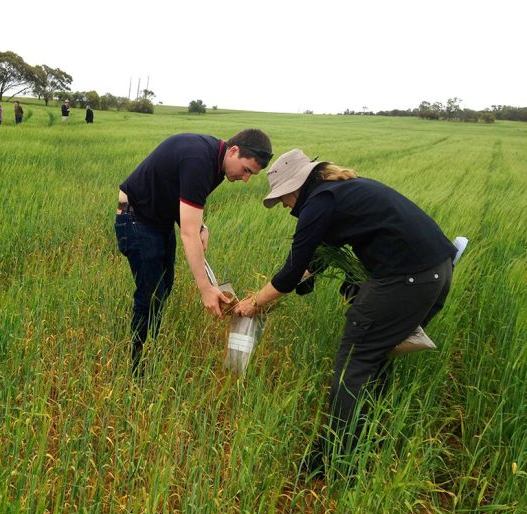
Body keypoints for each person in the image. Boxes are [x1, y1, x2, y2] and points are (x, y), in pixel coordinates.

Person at [233, 148, 457, 477]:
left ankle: (338, 460)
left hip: (406, 279)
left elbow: (291, 270)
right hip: (437, 271)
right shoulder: (343, 189)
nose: (283, 205)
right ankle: (368, 434)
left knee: (354, 362)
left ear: (297, 187)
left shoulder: (319, 202)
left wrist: (254, 303)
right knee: (375, 356)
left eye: (283, 197)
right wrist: (305, 278)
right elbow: (321, 254)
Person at [115, 129, 273, 373]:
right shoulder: (199, 160)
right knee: (151, 294)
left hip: (158, 221)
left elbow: (186, 204)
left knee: (163, 288)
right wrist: (205, 289)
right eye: (246, 170)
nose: (245, 178)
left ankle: (147, 349)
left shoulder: (218, 164)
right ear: (233, 151)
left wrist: (202, 226)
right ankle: (137, 369)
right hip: (136, 219)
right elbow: (187, 233)